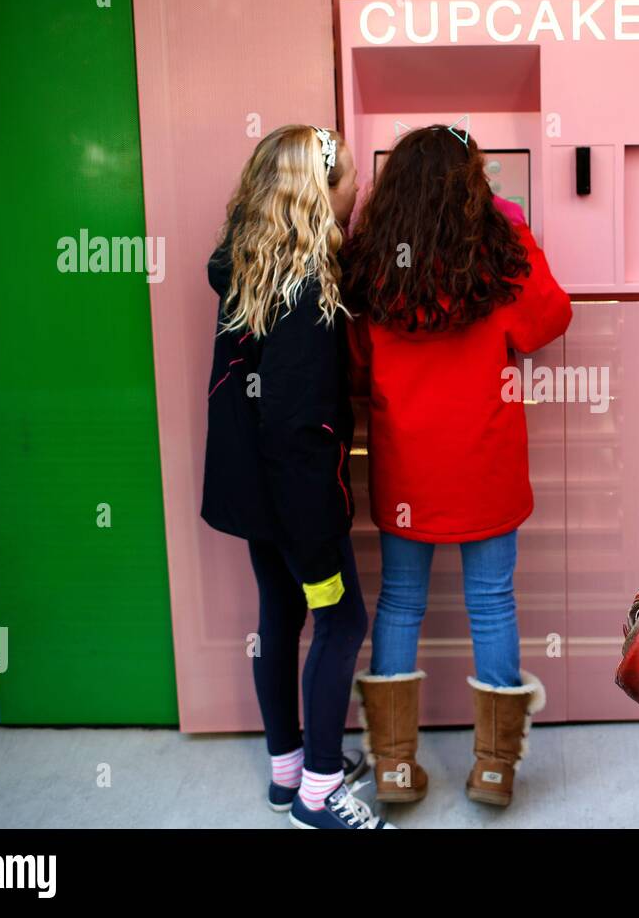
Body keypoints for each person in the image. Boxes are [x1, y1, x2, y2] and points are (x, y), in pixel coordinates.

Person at [343, 124, 571, 809]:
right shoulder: (497, 258)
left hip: (407, 468)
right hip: (485, 464)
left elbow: (356, 365)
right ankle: (496, 768)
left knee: (401, 602)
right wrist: (515, 227)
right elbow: (550, 318)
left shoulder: (372, 264)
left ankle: (392, 766)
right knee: (492, 602)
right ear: (474, 188)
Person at [200, 124, 390, 830]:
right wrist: (318, 528)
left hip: (253, 499)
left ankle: (289, 771)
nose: (359, 190)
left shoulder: (248, 269)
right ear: (323, 190)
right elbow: (296, 429)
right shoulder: (310, 292)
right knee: (342, 621)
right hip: (297, 505)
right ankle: (319, 792)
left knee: (279, 618)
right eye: (349, 181)